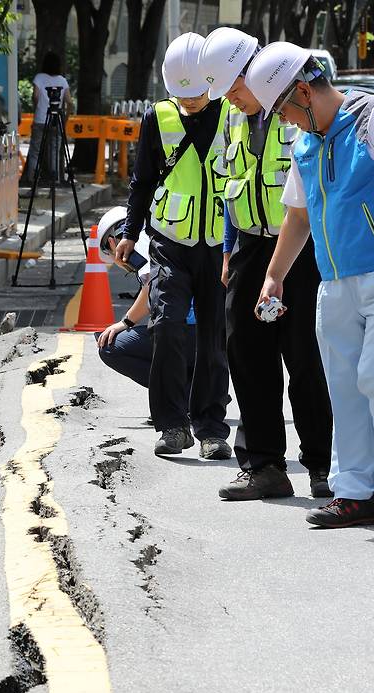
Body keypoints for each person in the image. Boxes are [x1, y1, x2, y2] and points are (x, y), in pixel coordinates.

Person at [245, 42, 374, 528]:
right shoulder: (307, 144)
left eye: (284, 110)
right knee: (345, 389)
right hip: (335, 281)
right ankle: (357, 492)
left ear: (304, 91)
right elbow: (299, 216)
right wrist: (274, 274)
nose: (285, 122)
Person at [198, 28, 333, 501]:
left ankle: (320, 465)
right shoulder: (233, 119)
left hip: (303, 252)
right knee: (247, 355)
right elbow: (229, 182)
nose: (232, 101)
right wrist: (228, 251)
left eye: (236, 89)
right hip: (251, 251)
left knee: (305, 358)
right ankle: (264, 465)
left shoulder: (298, 114)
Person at [116, 32, 232, 460]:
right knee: (165, 327)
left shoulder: (231, 114)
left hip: (220, 244)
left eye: (200, 93)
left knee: (213, 338)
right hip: (170, 240)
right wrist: (130, 232)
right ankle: (172, 426)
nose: (193, 102)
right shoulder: (158, 118)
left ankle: (211, 428)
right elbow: (142, 180)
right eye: (185, 96)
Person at [94, 207, 196, 399]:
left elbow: (151, 285)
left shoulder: (139, 245)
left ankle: (188, 395)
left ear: (112, 243)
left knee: (109, 346)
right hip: (210, 332)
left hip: (185, 331)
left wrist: (125, 323)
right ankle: (200, 391)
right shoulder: (161, 234)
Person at [23, 51, 74, 186]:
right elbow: (70, 102)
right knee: (54, 150)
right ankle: (55, 178)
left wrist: (37, 108)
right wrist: (65, 118)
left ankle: (32, 178)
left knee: (35, 150)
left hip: (40, 119)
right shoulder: (62, 80)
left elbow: (35, 96)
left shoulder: (39, 77)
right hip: (56, 120)